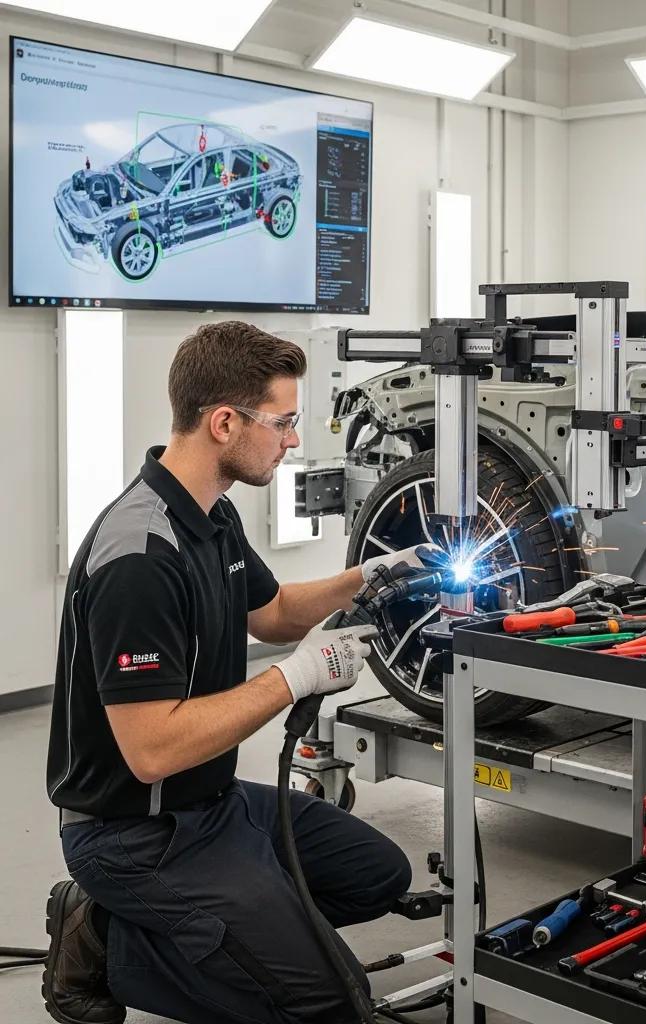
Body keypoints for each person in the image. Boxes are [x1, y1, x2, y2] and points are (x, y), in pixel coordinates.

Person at [43, 321, 432, 1024]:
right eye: (281, 422)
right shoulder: (139, 557)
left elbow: (275, 612)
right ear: (224, 423)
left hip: (213, 801)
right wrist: (295, 678)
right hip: (132, 832)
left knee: (377, 875)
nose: (292, 440)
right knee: (332, 1001)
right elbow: (152, 750)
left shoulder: (211, 513)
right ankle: (101, 939)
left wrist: (371, 574)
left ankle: (224, 930)